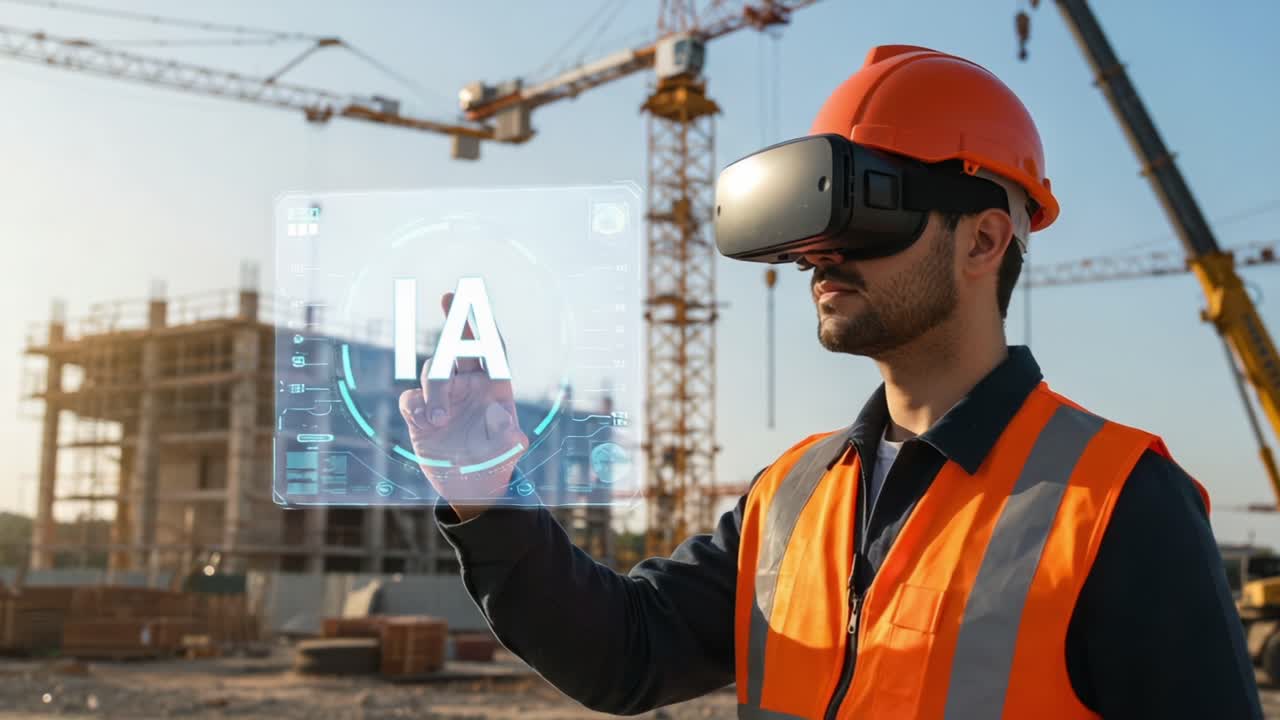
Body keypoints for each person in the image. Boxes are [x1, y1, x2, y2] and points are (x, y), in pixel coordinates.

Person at [399, 45, 1260, 719]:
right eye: (811, 222)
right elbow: (624, 653)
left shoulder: (1119, 505)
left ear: (984, 241)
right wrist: (488, 495)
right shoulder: (790, 498)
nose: (820, 255)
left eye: (865, 212)